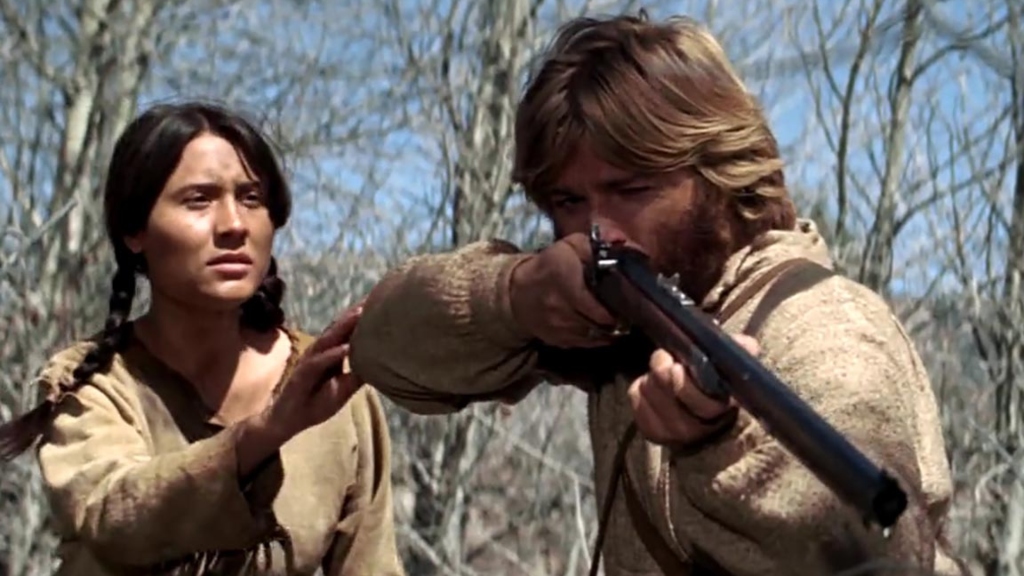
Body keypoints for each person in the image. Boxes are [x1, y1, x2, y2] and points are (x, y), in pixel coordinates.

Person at [346, 12, 964, 576]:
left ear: (720, 174)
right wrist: (515, 297)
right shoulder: (611, 318)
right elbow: (379, 347)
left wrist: (719, 450)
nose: (598, 229)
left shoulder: (828, 330)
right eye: (568, 201)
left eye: (632, 190)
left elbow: (881, 556)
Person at [0, 101, 404, 575]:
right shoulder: (94, 383)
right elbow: (112, 516)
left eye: (251, 198)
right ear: (134, 230)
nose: (234, 224)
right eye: (198, 199)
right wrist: (264, 434)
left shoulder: (331, 386)